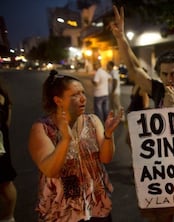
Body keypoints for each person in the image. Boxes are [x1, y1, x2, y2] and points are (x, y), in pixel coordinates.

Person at [109, 6, 174, 222]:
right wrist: (121, 37)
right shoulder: (158, 90)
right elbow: (134, 69)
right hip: (163, 174)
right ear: (159, 75)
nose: (170, 79)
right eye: (165, 74)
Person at [28, 70, 123, 221]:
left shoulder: (92, 120)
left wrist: (108, 134)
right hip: (62, 212)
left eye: (83, 93)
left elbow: (106, 158)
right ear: (58, 100)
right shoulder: (42, 129)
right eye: (75, 95)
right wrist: (65, 139)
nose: (83, 99)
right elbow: (50, 170)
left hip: (96, 207)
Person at [0, 81, 17, 222]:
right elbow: (7, 123)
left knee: (5, 181)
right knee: (5, 181)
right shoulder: (4, 96)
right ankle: (8, 216)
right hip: (3, 143)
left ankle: (8, 216)